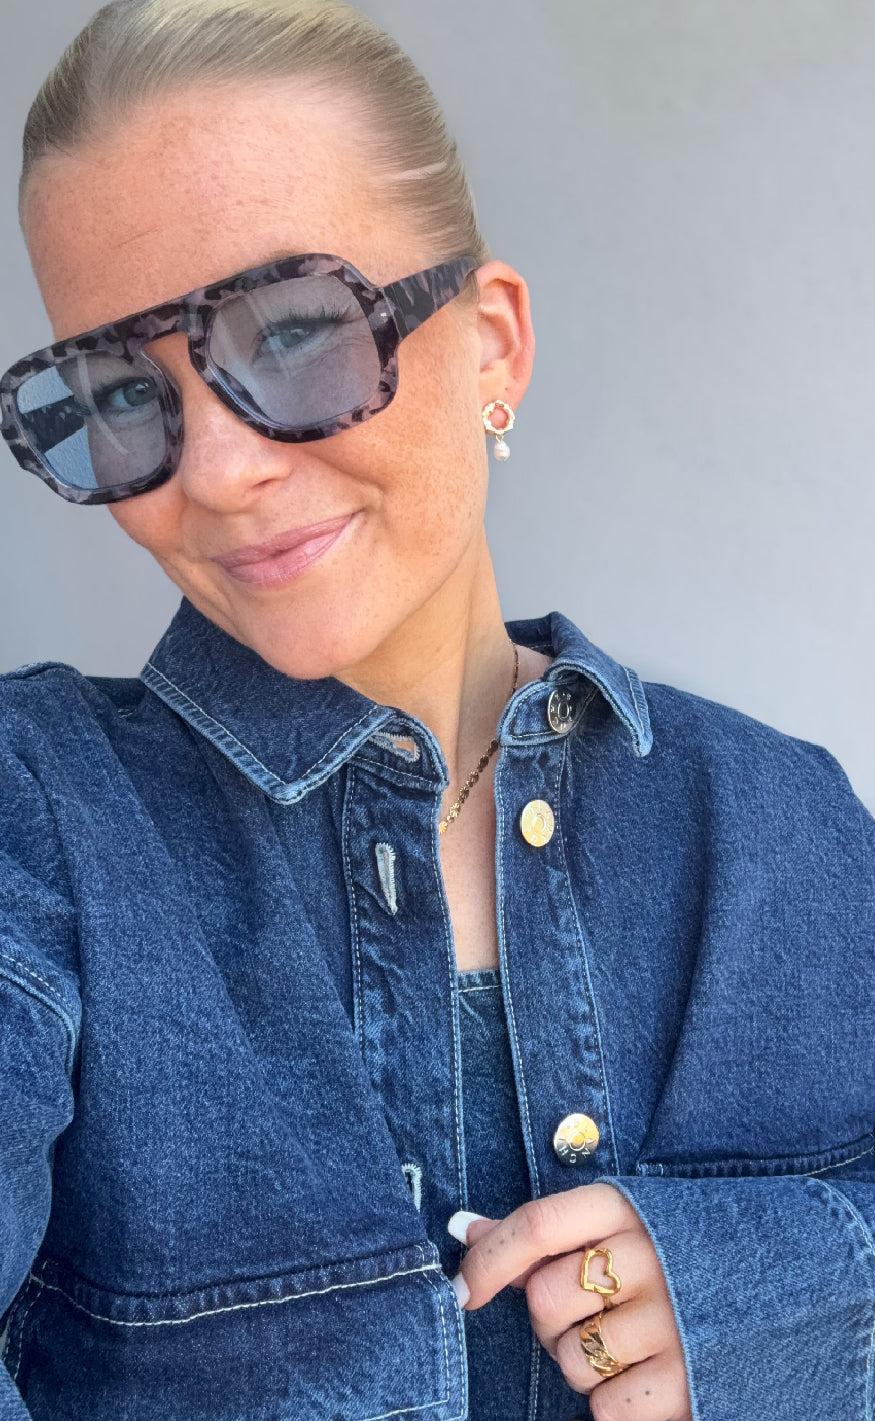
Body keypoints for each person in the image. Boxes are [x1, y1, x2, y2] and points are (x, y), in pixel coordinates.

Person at [0, 2, 872, 1418]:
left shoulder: (788, 825)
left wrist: (778, 1294)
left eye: (294, 331)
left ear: (493, 346)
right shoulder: (35, 819)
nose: (213, 471)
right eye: (115, 394)